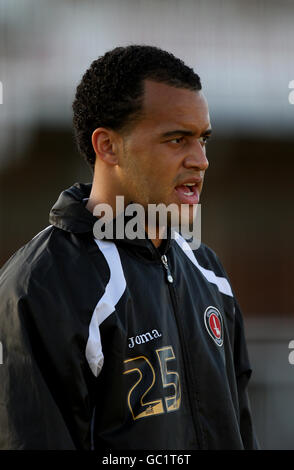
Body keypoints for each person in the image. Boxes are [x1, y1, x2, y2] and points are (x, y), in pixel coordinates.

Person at [0, 45, 258, 450]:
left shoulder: (209, 273)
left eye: (203, 139)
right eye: (177, 139)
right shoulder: (38, 287)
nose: (201, 160)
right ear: (107, 146)